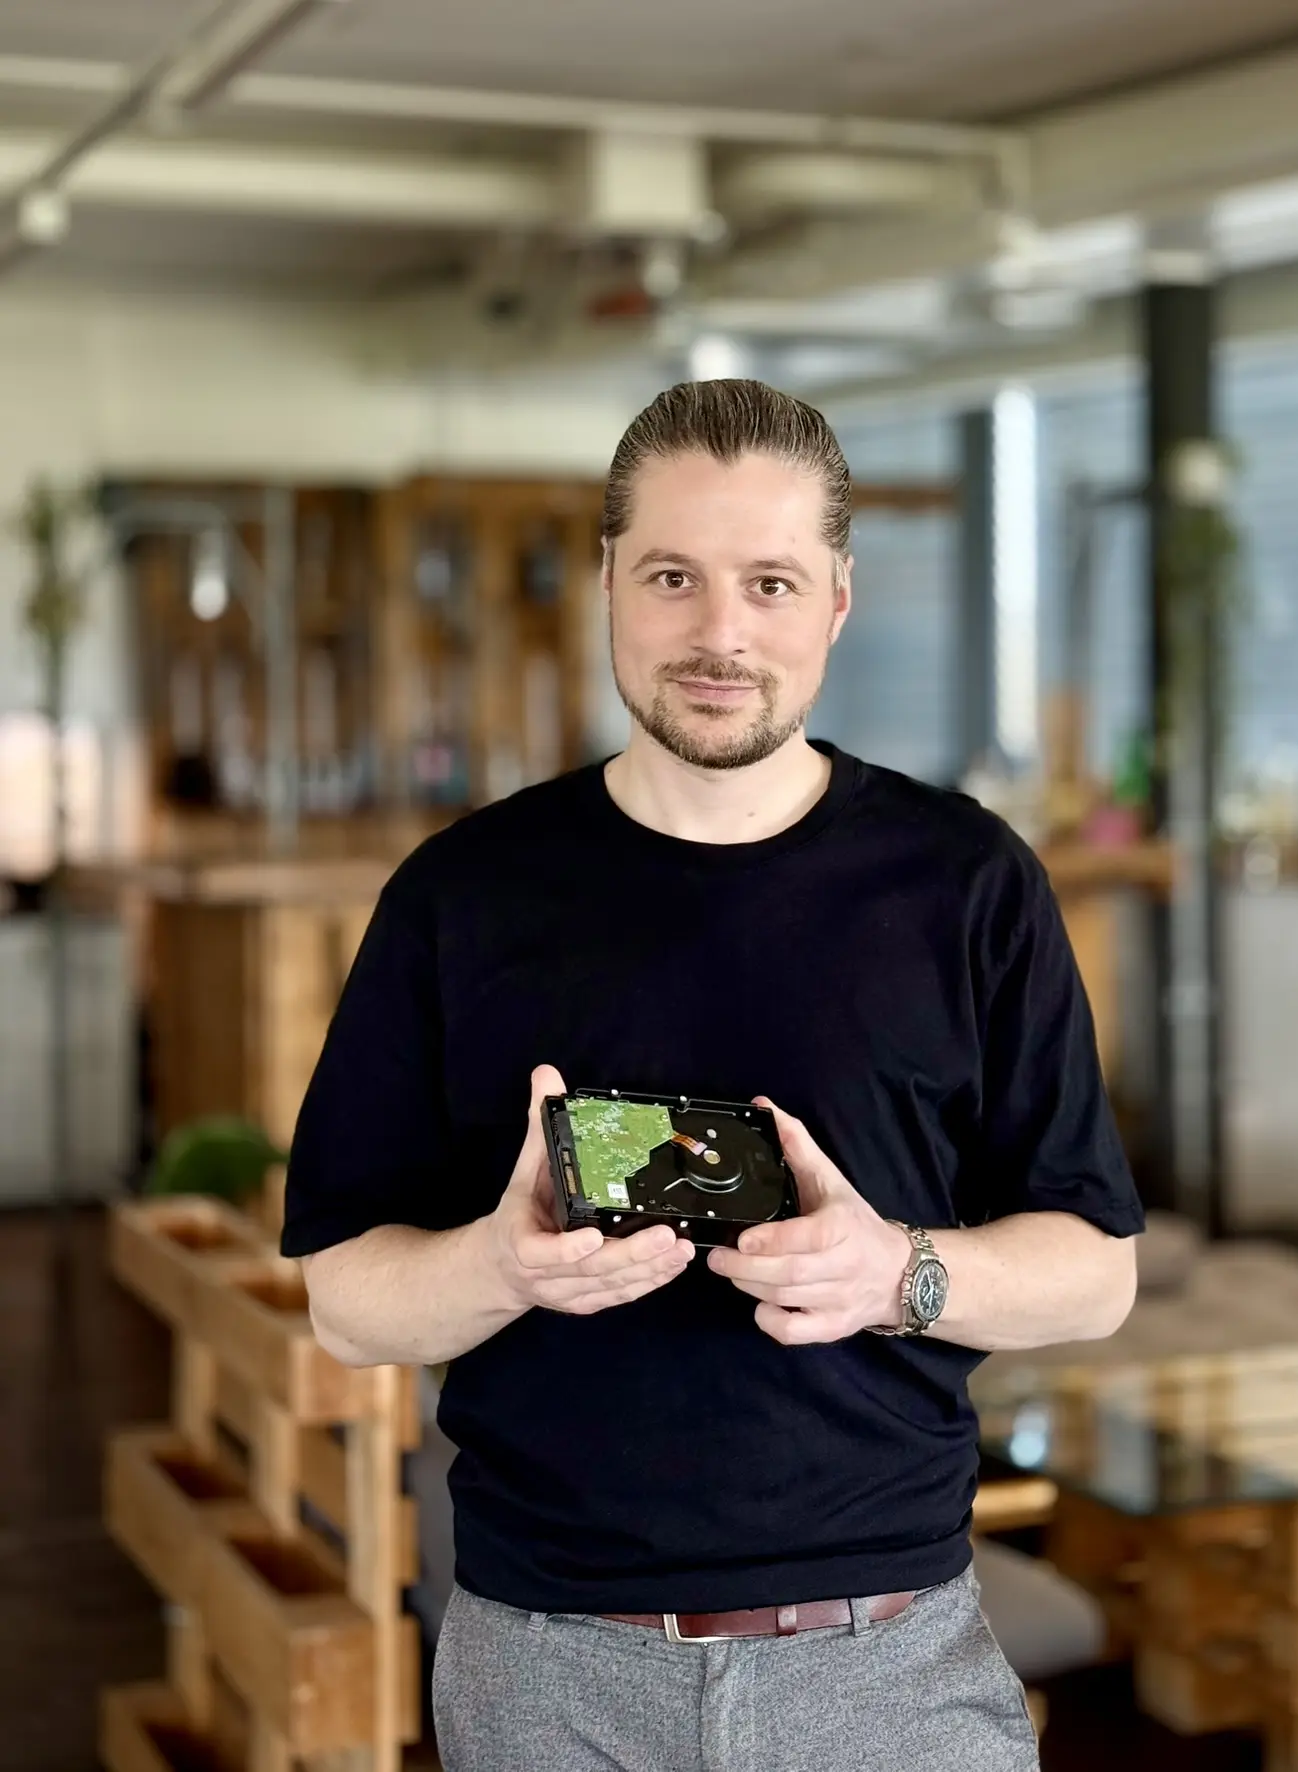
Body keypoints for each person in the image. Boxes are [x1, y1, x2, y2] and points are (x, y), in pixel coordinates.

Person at [284, 378, 1144, 1772]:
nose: (722, 633)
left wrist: (895, 1274)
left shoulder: (969, 884)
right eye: (674, 576)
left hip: (895, 1665)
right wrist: (505, 1268)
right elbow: (343, 1302)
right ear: (609, 576)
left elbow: (1096, 1269)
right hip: (545, 1672)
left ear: (838, 602)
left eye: (772, 582)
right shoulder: (462, 896)